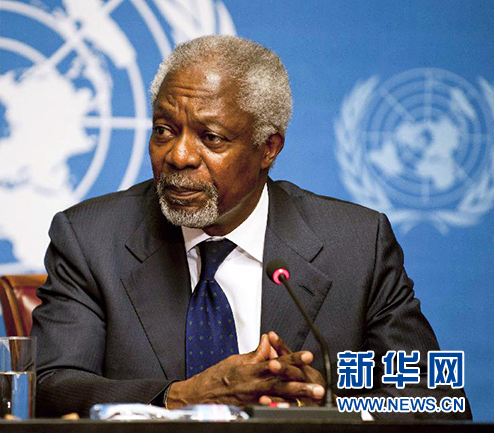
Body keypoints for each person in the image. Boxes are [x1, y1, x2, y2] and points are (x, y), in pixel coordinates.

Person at [31, 35, 471, 419]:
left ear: (268, 148)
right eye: (164, 130)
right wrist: (180, 397)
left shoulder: (356, 245)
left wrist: (325, 405)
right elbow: (50, 387)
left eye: (211, 138)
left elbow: (440, 402)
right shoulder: (91, 238)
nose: (178, 156)